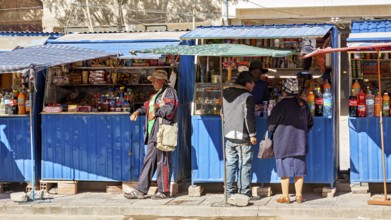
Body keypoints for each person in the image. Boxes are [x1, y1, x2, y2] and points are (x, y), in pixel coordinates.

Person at [124, 70, 178, 200]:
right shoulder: (156, 95)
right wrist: (137, 112)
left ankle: (163, 191)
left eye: (154, 80)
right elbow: (146, 107)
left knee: (163, 161)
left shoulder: (169, 92)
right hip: (152, 134)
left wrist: (157, 112)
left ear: (162, 80)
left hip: (162, 132)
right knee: (148, 161)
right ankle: (141, 190)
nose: (152, 82)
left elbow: (170, 107)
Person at [268, 78, 313, 204]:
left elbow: (271, 125)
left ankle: (286, 196)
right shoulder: (303, 104)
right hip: (300, 143)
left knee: (284, 171)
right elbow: (310, 122)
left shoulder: (280, 106)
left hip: (283, 144)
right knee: (299, 170)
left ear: (284, 91)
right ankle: (299, 195)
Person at [223, 71, 257, 200]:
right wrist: (252, 135)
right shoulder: (247, 97)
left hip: (228, 135)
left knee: (230, 163)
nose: (254, 85)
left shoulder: (225, 93)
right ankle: (244, 193)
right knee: (244, 164)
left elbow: (222, 113)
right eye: (252, 82)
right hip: (242, 136)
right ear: (247, 83)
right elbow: (248, 116)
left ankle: (229, 192)